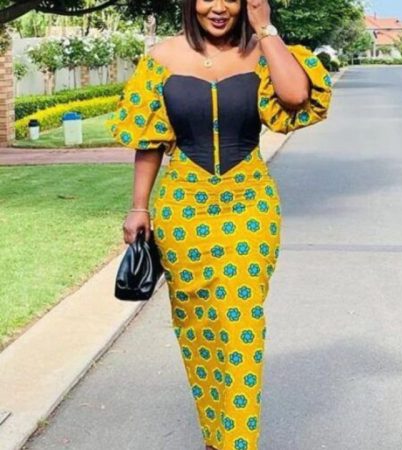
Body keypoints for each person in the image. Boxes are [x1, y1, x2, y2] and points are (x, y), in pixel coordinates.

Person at [107, 0, 332, 448]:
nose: (218, 7)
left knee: (241, 321)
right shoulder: (161, 59)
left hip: (249, 206)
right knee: (197, 325)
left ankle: (237, 440)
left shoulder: (263, 52)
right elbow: (149, 142)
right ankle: (216, 434)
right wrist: (139, 208)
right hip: (182, 210)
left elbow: (295, 98)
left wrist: (265, 30)